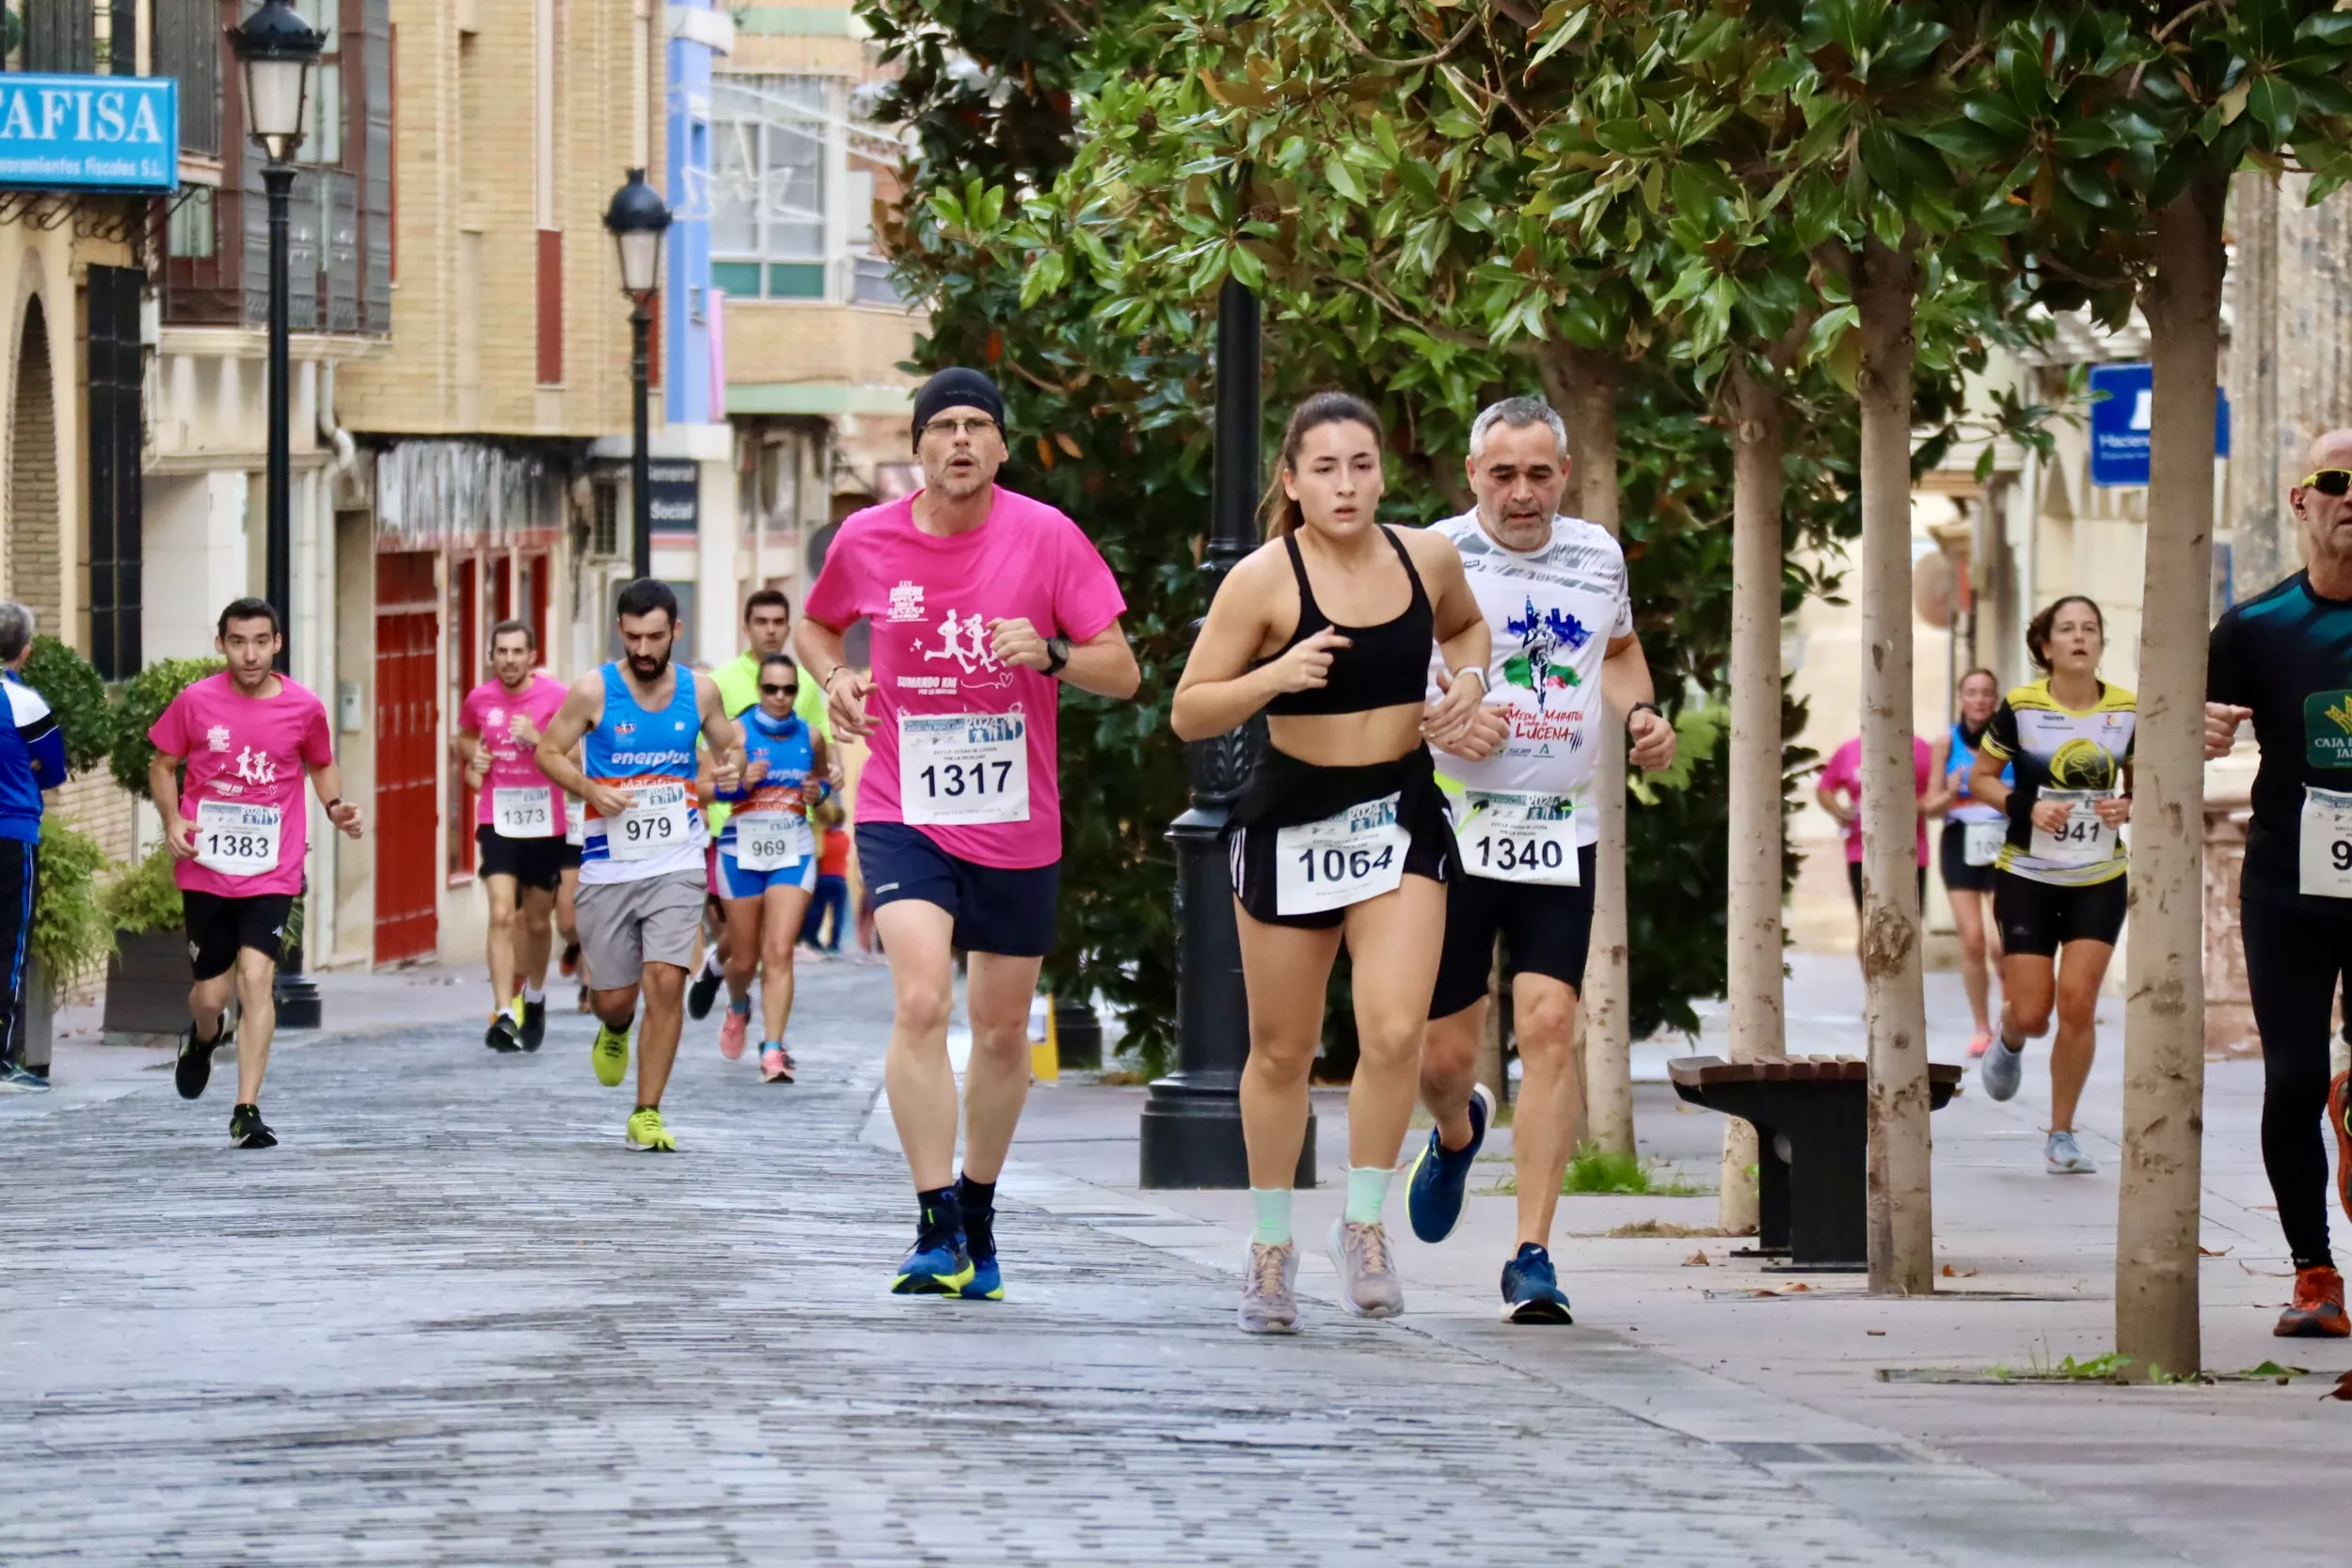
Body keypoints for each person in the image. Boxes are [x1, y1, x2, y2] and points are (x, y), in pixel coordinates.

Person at [797, 366, 1138, 1298]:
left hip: (1012, 815)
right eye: (940, 425)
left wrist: (1056, 653)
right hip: (904, 803)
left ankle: (979, 1212)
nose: (957, 440)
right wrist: (837, 677)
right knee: (918, 1000)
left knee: (997, 1031)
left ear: (998, 445)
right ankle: (932, 1215)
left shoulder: (1047, 535)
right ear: (917, 447)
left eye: (974, 426)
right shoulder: (869, 540)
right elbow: (818, 625)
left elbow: (1125, 670)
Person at [1171, 391, 1490, 1335]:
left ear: (1382, 472)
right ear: (1290, 479)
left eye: (1360, 464)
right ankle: (1271, 1245)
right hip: (1292, 816)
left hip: (1398, 808)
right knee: (1282, 1047)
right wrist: (1275, 674)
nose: (1345, 484)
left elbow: (1466, 628)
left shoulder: (1425, 555)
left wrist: (1466, 680)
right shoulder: (1263, 581)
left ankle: (1363, 1222)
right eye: (1324, 468)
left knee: (1393, 1030)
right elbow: (1191, 709)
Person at [1399, 398, 1677, 1324]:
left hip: (1560, 826)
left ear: (1565, 473)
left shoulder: (1597, 555)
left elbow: (1623, 650)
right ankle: (1455, 1125)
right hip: (1447, 826)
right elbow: (1388, 684)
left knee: (1550, 1019)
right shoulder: (1434, 557)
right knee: (1438, 1053)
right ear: (1471, 475)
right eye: (1503, 474)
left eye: (1540, 473)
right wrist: (1440, 715)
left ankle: (1532, 1253)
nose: (1523, 492)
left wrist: (1640, 714)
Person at [2204, 429, 2352, 1337]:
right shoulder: (2254, 629)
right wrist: (2203, 734)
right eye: (2337, 481)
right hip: (2288, 887)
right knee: (2293, 1076)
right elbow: (2193, 735)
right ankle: (2314, 1273)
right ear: (2301, 502)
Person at [534, 579, 743, 1152]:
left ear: (675, 631)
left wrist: (733, 768)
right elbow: (547, 752)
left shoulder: (699, 693)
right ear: (619, 633)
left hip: (677, 858)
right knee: (616, 998)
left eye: (655, 636)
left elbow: (731, 745)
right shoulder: (592, 691)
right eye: (633, 638)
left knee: (666, 981)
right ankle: (615, 1027)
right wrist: (588, 790)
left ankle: (646, 1111)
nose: (644, 649)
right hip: (608, 863)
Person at [152, 599, 363, 1148]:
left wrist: (335, 806)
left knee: (255, 978)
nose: (250, 654)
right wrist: (174, 819)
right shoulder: (195, 702)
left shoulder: (303, 707)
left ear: (278, 643)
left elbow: (319, 762)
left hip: (273, 866)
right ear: (221, 643)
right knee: (211, 997)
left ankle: (246, 1108)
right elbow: (161, 763)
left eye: (261, 641)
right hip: (208, 868)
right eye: (238, 641)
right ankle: (202, 1038)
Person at [1970, 596, 2134, 1177]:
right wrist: (2027, 806)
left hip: (2099, 876)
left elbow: (2141, 785)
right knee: (2036, 1010)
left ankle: (2061, 1134)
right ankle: (2011, 1038)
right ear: (2046, 647)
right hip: (2028, 877)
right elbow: (1980, 780)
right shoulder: (2021, 707)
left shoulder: (2127, 710)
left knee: (2079, 1004)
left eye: (2090, 628)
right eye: (2067, 629)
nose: (2079, 637)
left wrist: (2126, 804)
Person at [687, 589, 836, 1022]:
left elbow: (820, 744)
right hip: (729, 826)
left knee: (776, 939)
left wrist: (826, 785)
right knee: (742, 937)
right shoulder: (721, 683)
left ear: (788, 627)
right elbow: (700, 758)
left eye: (778, 622)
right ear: (747, 625)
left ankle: (770, 1040)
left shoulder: (806, 681)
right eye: (761, 622)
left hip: (791, 824)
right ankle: (723, 969)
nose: (770, 629)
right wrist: (729, 785)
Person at [708, 652, 831, 1082]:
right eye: (771, 689)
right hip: (741, 849)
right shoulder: (737, 734)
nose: (780, 697)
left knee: (778, 951)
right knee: (744, 959)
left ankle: (774, 1050)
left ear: (797, 692)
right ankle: (739, 1005)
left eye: (789, 689)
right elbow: (712, 790)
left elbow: (825, 779)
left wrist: (820, 791)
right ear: (759, 690)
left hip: (791, 850)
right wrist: (741, 783)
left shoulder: (811, 736)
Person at [455, 620, 571, 1053]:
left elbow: (577, 751)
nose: (508, 660)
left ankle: (535, 998)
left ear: (532, 657)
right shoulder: (479, 699)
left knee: (538, 921)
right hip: (497, 818)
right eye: (501, 652)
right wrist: (475, 758)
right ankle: (504, 1011)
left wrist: (539, 740)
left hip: (545, 822)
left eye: (517, 652)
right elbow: (464, 737)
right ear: (492, 656)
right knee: (502, 913)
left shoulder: (557, 698)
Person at [0, 603, 65, 1094]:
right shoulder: (26, 704)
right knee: (8, 944)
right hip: (12, 834)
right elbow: (55, 769)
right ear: (25, 651)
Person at [1815, 727, 1945, 969]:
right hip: (1861, 852)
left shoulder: (1921, 749)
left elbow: (1935, 797)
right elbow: (1825, 787)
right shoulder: (1850, 749)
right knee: (1868, 924)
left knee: (1907, 928)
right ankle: (1873, 998)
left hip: (1910, 853)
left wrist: (1901, 808)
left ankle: (1902, 997)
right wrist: (1838, 812)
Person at [1936, 668, 2010, 1056]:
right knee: (1972, 940)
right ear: (1961, 698)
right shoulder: (1946, 743)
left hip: (2002, 841)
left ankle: (2009, 1017)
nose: (1979, 700)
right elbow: (1928, 806)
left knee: (2000, 943)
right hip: (1960, 841)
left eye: (1986, 693)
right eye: (1972, 692)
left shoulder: (2010, 740)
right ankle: (1981, 1027)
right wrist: (1949, 792)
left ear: (1995, 699)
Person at [800, 796, 851, 957]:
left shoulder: (822, 838)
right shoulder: (845, 839)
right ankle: (834, 945)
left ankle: (811, 938)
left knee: (817, 911)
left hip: (822, 878)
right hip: (839, 880)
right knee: (838, 914)